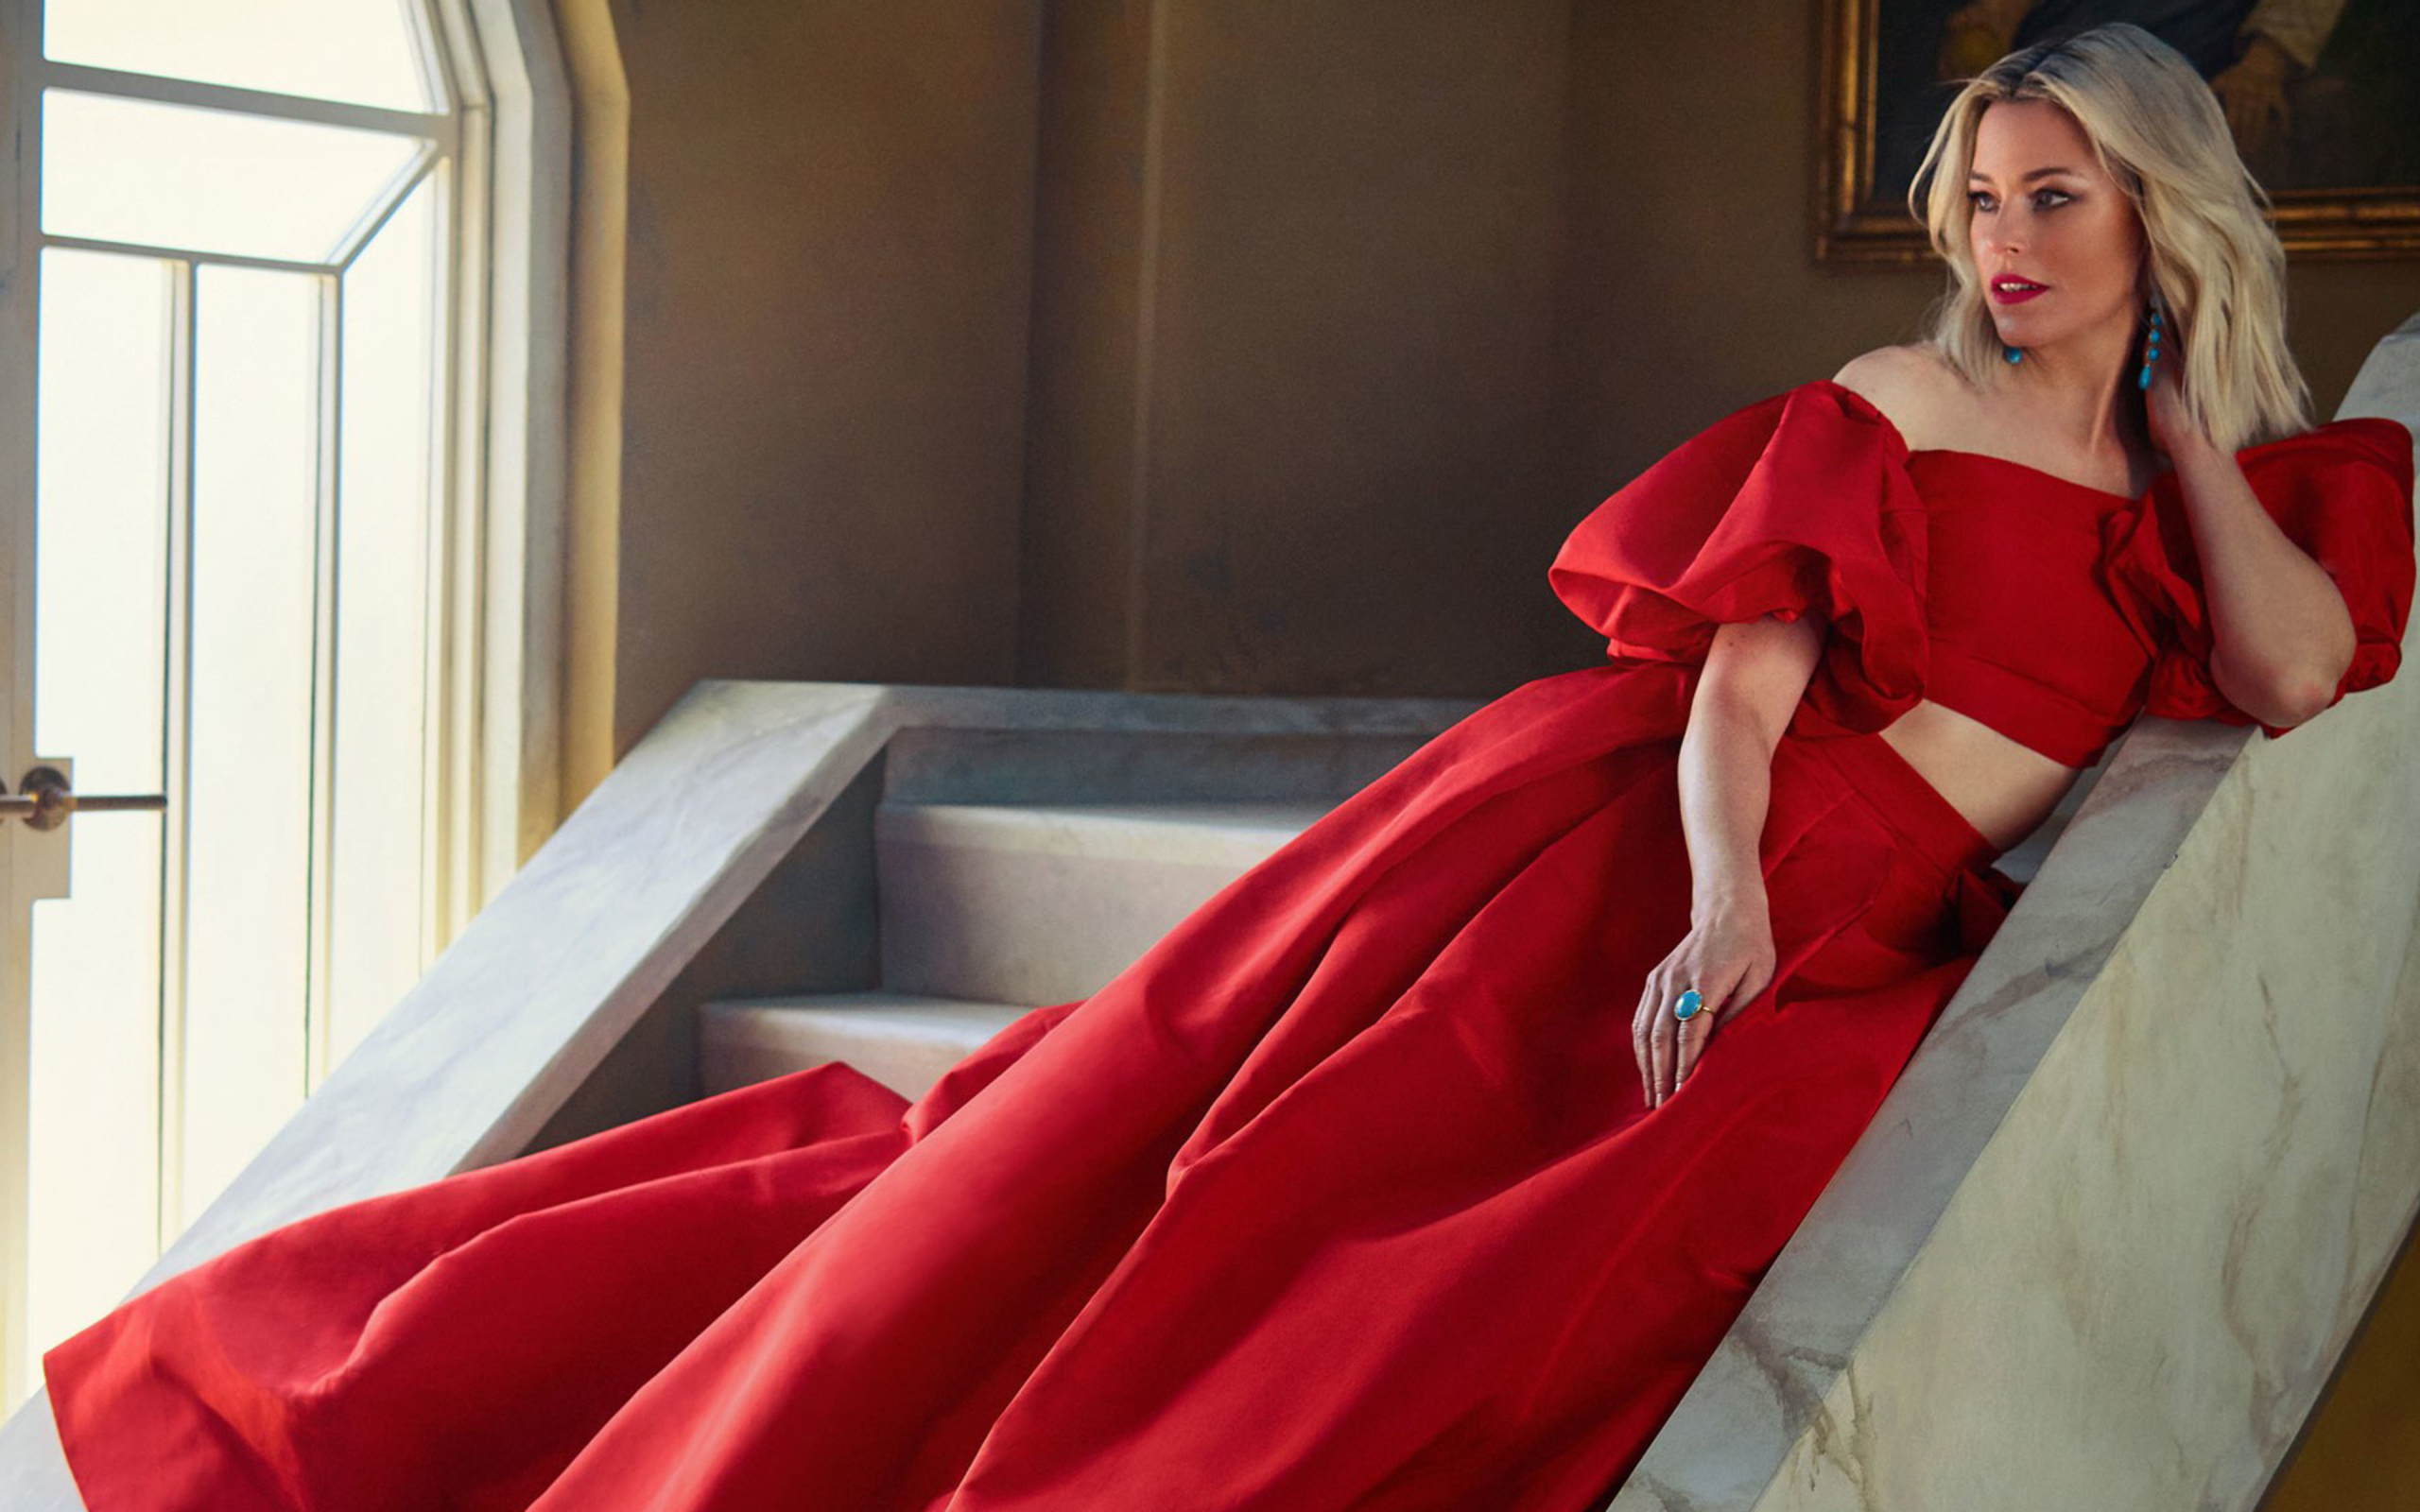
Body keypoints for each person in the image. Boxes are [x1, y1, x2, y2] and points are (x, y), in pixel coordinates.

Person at [36, 21, 2415, 1512]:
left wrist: (2178, 416)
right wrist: (1720, 900)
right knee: (1163, 1195)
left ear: (2154, 205)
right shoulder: (1892, 407)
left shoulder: (2216, 491)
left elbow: (2298, 670)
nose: (2001, 243)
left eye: (2050, 197)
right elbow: (1734, 689)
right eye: (1978, 199)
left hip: (1872, 936)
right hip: (1629, 863)